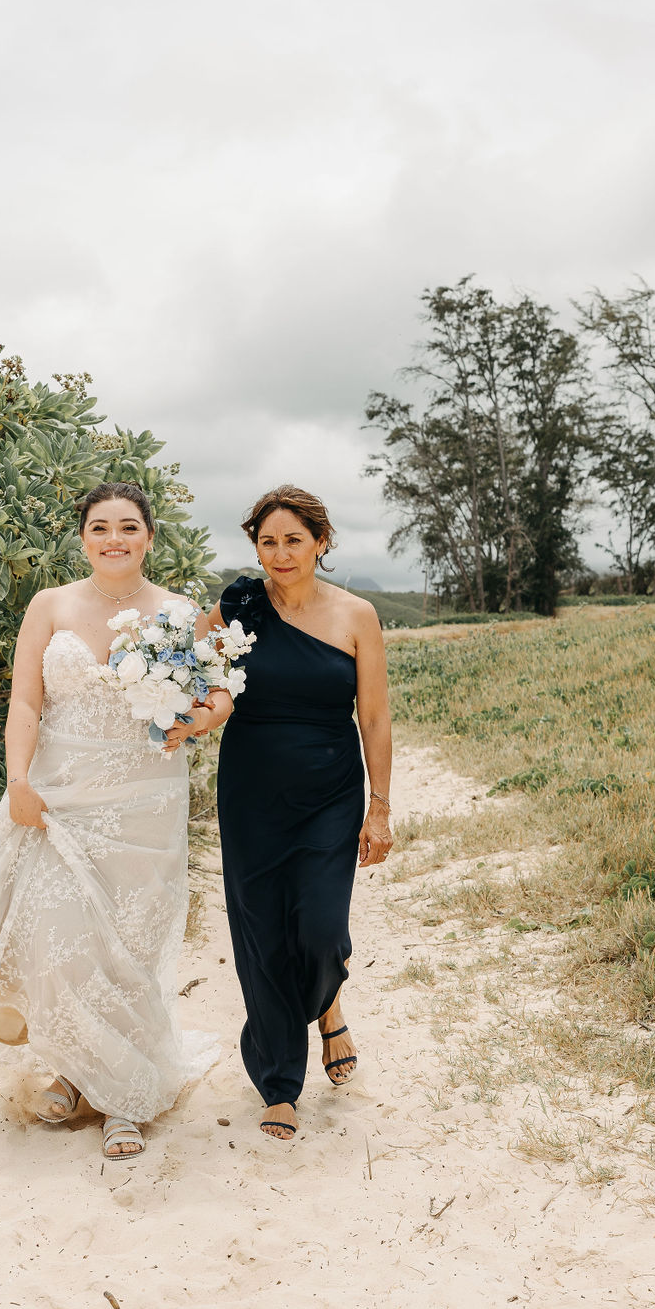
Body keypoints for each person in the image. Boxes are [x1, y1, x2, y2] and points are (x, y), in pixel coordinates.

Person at [0, 482, 229, 1161]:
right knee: (59, 937)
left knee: (129, 947)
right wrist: (17, 779)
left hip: (144, 800)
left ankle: (123, 1098)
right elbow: (25, 704)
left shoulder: (180, 612)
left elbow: (217, 695)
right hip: (59, 794)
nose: (114, 538)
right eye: (100, 527)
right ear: (83, 536)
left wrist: (200, 718)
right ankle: (74, 1067)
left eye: (128, 526)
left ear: (150, 535)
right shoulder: (50, 604)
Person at [209, 485, 393, 1141]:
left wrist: (380, 806)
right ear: (254, 545)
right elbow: (196, 676)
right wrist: (175, 713)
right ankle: (280, 1085)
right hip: (251, 789)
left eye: (294, 539)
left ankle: (328, 999)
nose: (280, 553)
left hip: (330, 793)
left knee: (318, 929)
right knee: (261, 934)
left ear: (321, 541)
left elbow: (372, 714)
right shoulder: (237, 606)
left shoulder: (356, 615)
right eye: (267, 541)